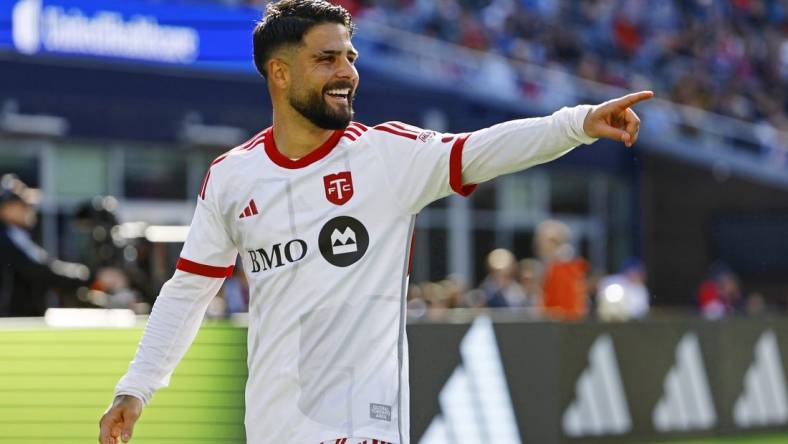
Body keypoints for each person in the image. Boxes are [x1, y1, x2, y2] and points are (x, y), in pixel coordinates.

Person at [98, 1, 652, 443]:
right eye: (328, 59)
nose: (348, 73)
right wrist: (136, 388)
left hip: (365, 427)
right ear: (280, 72)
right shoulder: (232, 177)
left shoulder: (385, 155)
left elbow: (481, 149)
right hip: (272, 429)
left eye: (351, 57)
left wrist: (576, 123)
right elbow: (188, 291)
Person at [0, 174, 98, 316]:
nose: (30, 208)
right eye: (23, 204)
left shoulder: (15, 234)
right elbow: (40, 270)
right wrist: (87, 275)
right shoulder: (6, 237)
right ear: (7, 209)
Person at [535, 219, 589, 321]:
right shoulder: (552, 265)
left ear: (554, 242)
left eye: (541, 240)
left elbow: (567, 308)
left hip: (560, 329)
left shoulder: (563, 267)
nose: (538, 244)